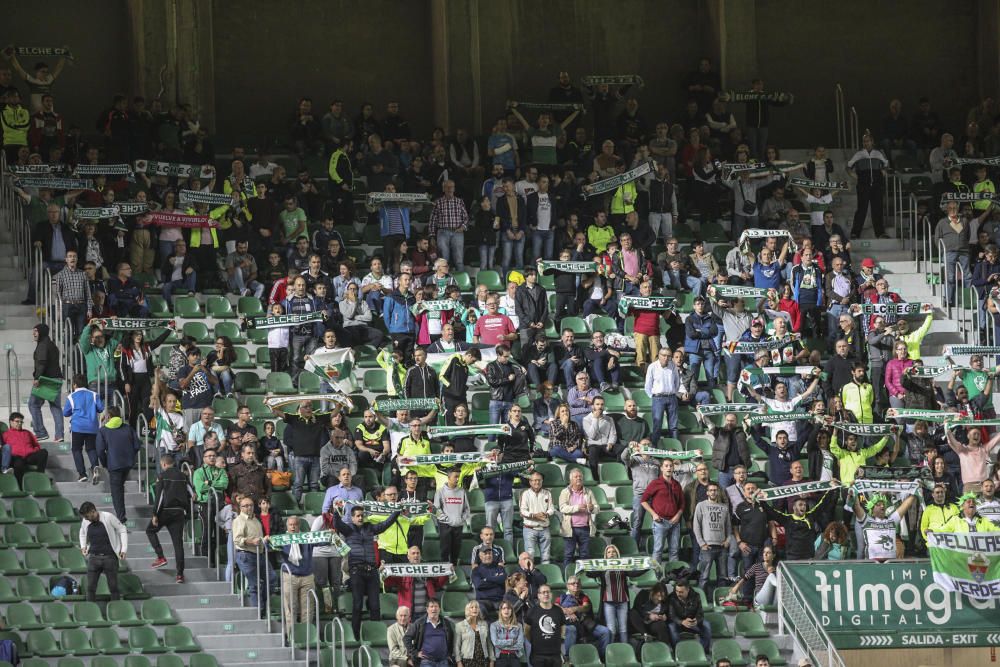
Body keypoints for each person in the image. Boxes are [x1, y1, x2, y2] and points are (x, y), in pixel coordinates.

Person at [334, 504, 402, 636]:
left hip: (372, 572)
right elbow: (337, 524)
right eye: (358, 516)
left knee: (375, 606)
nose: (360, 518)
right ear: (352, 518)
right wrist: (337, 511)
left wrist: (397, 511)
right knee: (357, 605)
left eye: (362, 515)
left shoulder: (369, 528)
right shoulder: (348, 530)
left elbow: (386, 524)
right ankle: (355, 635)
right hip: (356, 571)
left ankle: (375, 634)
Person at [268, 515, 317, 639]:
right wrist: (267, 540)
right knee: (290, 609)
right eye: (290, 525)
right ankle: (292, 637)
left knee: (308, 609)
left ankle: (306, 637)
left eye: (295, 524)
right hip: (289, 577)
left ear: (299, 525)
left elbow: (322, 540)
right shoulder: (282, 539)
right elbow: (268, 547)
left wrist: (330, 534)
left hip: (307, 577)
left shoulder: (307, 538)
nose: (293, 527)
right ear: (287, 526)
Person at [146, 455, 190, 584]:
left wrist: (155, 514)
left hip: (165, 511)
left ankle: (160, 557)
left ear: (163, 464)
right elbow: (192, 493)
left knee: (150, 531)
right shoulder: (183, 476)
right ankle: (180, 575)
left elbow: (159, 497)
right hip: (179, 512)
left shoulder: (162, 476)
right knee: (178, 544)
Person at [95, 406, 141, 523]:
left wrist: (105, 462)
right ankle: (121, 516)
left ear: (108, 416)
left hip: (114, 465)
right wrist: (130, 456)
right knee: (119, 487)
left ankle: (121, 518)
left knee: (116, 492)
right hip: (127, 464)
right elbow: (137, 445)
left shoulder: (103, 431)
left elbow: (100, 450)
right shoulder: (128, 428)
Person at [78, 501, 127, 602]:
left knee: (113, 587)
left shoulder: (108, 517)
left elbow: (122, 529)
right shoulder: (85, 521)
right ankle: (91, 612)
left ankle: (116, 610)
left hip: (110, 558)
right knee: (90, 588)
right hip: (93, 558)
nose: (86, 519)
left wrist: (123, 549)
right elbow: (82, 533)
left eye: (87, 516)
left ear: (93, 511)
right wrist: (83, 546)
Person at [853, 490, 920, 561]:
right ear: (872, 510)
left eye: (883, 504)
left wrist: (914, 491)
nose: (882, 506)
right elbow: (856, 506)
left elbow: (906, 505)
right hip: (872, 563)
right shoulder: (867, 521)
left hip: (891, 563)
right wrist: (854, 491)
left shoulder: (892, 520)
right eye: (878, 504)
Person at [642, 458, 686, 563]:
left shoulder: (677, 484)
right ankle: (656, 577)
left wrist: (678, 515)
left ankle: (675, 576)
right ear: (661, 468)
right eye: (666, 466)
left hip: (675, 523)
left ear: (673, 468)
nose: (669, 468)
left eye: (671, 466)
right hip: (660, 522)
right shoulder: (655, 483)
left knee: (674, 551)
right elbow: (643, 501)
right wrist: (653, 514)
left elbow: (682, 504)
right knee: (658, 550)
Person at [63, 373, 103, 483]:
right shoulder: (94, 394)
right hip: (92, 427)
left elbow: (65, 413)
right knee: (91, 449)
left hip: (78, 427)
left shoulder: (71, 396)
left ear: (74, 385)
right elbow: (100, 408)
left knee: (76, 449)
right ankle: (95, 466)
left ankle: (82, 474)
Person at [232, 496, 267, 616]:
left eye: (251, 505)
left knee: (271, 580)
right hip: (246, 555)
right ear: (240, 507)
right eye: (246, 506)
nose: (249, 508)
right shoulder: (238, 521)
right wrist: (251, 542)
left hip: (260, 554)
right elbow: (237, 540)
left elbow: (258, 538)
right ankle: (259, 612)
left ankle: (262, 606)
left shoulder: (256, 520)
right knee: (256, 584)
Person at [693, 481, 732, 589]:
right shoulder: (701, 505)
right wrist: (701, 543)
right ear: (707, 493)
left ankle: (722, 601)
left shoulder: (724, 507)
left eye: (715, 490)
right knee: (704, 577)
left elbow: (729, 527)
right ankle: (701, 602)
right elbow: (696, 526)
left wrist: (727, 541)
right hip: (707, 547)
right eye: (711, 490)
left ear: (718, 492)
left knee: (723, 577)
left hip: (722, 547)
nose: (713, 492)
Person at [30, 323, 64, 443]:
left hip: (45, 380)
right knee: (55, 407)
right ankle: (59, 435)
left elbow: (42, 362)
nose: (33, 333)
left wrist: (37, 378)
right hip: (57, 379)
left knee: (33, 404)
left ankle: (40, 432)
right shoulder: (51, 345)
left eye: (36, 331)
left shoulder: (43, 345)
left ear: (42, 332)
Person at [559, 468, 597, 567]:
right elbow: (562, 508)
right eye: (576, 477)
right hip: (570, 528)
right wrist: (577, 508)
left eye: (580, 476)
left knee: (585, 555)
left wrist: (592, 508)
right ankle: (567, 577)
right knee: (568, 555)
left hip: (585, 527)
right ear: (571, 479)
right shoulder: (565, 492)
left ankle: (586, 577)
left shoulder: (588, 492)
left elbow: (597, 508)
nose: (579, 478)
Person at [434, 467, 470, 566]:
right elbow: (436, 509)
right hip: (445, 526)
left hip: (458, 525)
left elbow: (467, 509)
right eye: (455, 477)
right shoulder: (440, 491)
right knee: (445, 551)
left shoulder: (462, 491)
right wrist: (447, 519)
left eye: (459, 477)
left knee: (456, 552)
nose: (458, 479)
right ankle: (444, 575)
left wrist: (461, 519)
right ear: (449, 477)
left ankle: (454, 573)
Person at [404, 598, 456, 667]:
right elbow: (406, 638)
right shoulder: (419, 623)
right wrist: (415, 653)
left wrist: (449, 654)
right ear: (427, 609)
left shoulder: (446, 623)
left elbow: (451, 639)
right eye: (431, 606)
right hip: (426, 662)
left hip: (443, 661)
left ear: (439, 609)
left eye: (436, 606)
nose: (434, 609)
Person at [0, 411, 48, 483]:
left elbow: (36, 445)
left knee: (43, 452)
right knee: (18, 463)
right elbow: (4, 449)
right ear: (11, 422)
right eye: (17, 421)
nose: (19, 423)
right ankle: (19, 484)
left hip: (29, 456)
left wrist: (34, 450)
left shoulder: (27, 432)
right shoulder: (5, 434)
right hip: (15, 457)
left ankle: (40, 476)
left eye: (21, 422)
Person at [525, 585, 566, 667]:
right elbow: (526, 631)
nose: (546, 594)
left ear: (551, 594)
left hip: (555, 654)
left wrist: (559, 640)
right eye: (543, 592)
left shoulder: (558, 610)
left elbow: (563, 628)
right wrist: (533, 641)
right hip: (538, 655)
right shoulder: (532, 611)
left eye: (548, 592)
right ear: (538, 595)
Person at [519, 472, 555, 564]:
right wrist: (534, 515)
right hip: (529, 528)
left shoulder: (547, 493)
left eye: (539, 480)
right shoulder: (525, 494)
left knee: (546, 556)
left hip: (544, 528)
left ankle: (546, 575)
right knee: (530, 556)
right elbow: (522, 511)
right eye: (534, 480)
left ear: (542, 481)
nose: (537, 482)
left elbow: (552, 509)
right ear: (530, 482)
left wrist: (546, 514)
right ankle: (531, 575)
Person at [667, 579, 711, 652]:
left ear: (688, 590)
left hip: (692, 622)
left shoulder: (696, 596)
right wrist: (682, 622)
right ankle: (677, 652)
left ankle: (703, 652)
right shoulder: (672, 597)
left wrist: (696, 621)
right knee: (671, 627)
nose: (678, 594)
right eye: (677, 591)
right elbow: (671, 616)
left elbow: (700, 614)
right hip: (678, 623)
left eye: (681, 592)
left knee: (707, 625)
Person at [472, 548, 507, 620]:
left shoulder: (499, 568)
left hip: (500, 600)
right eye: (485, 554)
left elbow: (503, 579)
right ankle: (487, 627)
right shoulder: (476, 570)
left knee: (511, 605)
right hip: (484, 601)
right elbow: (479, 585)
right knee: (479, 607)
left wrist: (487, 579)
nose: (488, 555)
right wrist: (496, 580)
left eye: (490, 553)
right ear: (480, 557)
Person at [490, 600, 525, 667]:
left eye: (508, 608)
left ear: (511, 611)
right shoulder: (494, 625)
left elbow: (520, 645)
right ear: (500, 611)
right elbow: (496, 643)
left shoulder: (519, 625)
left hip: (514, 657)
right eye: (504, 608)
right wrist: (511, 641)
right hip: (500, 658)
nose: (506, 610)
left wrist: (502, 646)